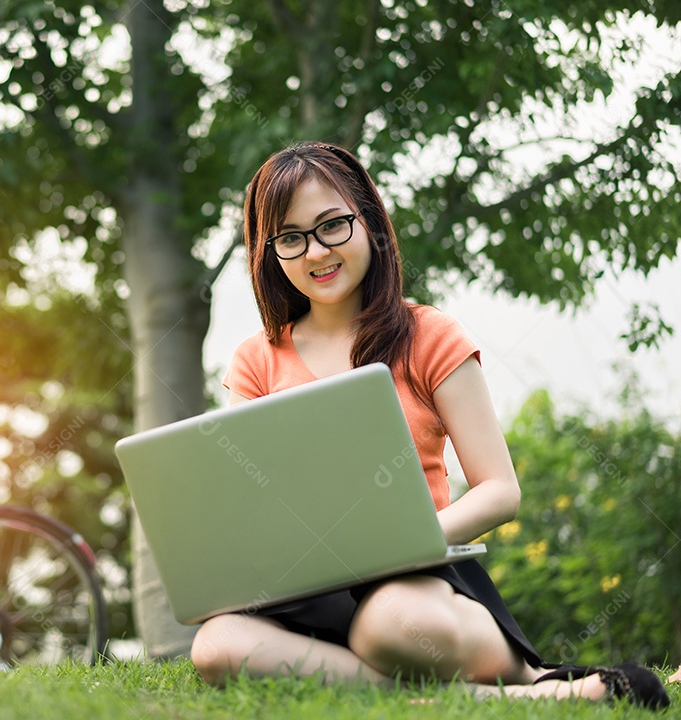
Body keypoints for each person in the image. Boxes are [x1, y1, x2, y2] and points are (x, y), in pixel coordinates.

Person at [190, 141, 670, 709]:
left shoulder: (428, 334)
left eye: (332, 226)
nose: (316, 251)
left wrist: (402, 544)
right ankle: (515, 698)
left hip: (413, 583)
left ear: (369, 221)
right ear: (270, 252)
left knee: (388, 625)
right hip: (306, 591)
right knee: (216, 646)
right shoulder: (256, 359)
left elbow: (499, 490)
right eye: (291, 238)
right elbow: (256, 503)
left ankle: (515, 672)